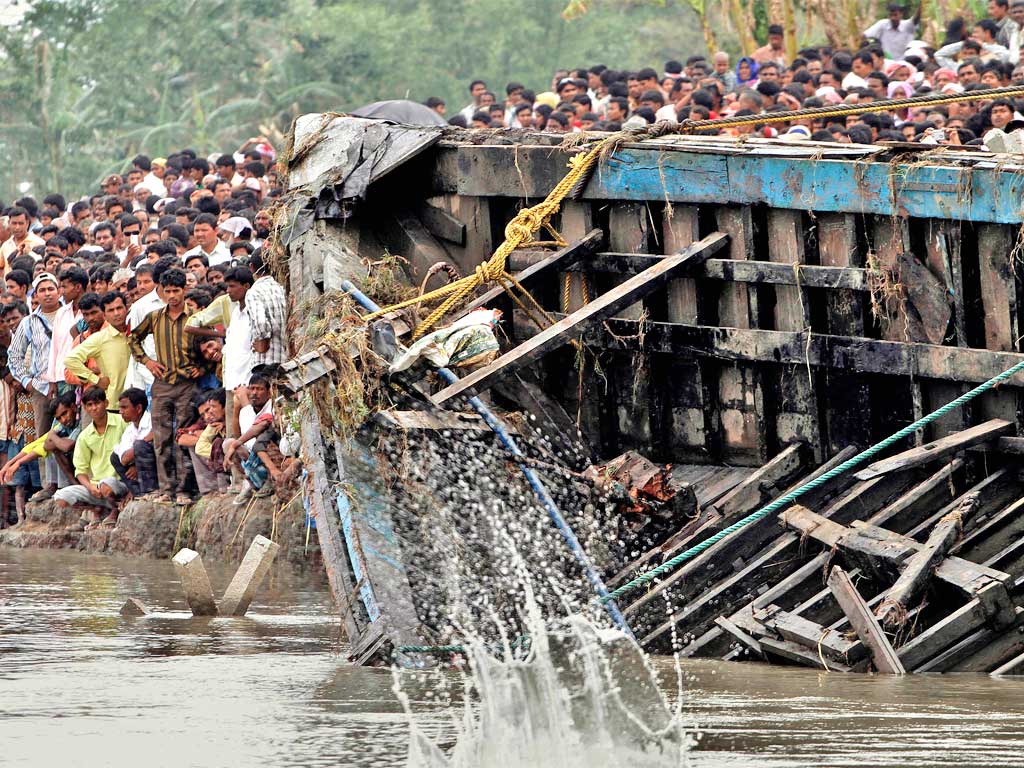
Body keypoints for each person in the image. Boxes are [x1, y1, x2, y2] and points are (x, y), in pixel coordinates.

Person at [127, 268, 201, 504]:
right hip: (161, 384)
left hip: (187, 384)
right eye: (167, 291)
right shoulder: (155, 317)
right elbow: (132, 338)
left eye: (176, 291)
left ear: (184, 290)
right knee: (161, 439)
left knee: (182, 436)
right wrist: (148, 361)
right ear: (161, 292)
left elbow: (209, 344)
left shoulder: (195, 316)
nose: (172, 296)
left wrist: (202, 367)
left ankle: (185, 490)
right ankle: (166, 489)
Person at [8, 273, 62, 498]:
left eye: (51, 288)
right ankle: (47, 485)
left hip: (67, 384)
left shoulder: (69, 315)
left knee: (67, 433)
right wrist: (28, 382)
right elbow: (14, 355)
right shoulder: (29, 322)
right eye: (42, 290)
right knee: (43, 435)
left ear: (58, 290)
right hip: (40, 388)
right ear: (36, 294)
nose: (47, 293)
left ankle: (68, 483)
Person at [52, 386, 129, 527]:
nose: (94, 408)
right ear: (85, 408)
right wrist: (90, 486)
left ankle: (114, 509)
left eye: (97, 403)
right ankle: (96, 509)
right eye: (90, 405)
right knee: (61, 498)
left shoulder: (122, 423)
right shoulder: (84, 436)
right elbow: (80, 471)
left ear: (106, 403)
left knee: (107, 484)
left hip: (120, 484)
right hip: (97, 488)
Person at [64, 291, 132, 406]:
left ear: (126, 309)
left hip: (137, 402)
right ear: (106, 315)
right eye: (111, 310)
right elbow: (70, 361)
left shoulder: (134, 331)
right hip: (110, 404)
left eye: (119, 308)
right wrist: (95, 378)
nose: (116, 313)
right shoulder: (98, 338)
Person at [223, 370, 273, 504]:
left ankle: (270, 480)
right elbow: (239, 434)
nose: (254, 393)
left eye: (260, 389)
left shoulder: (272, 406)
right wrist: (237, 408)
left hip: (269, 454)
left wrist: (236, 444)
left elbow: (258, 428)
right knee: (228, 443)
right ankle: (249, 482)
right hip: (253, 457)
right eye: (251, 389)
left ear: (269, 392)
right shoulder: (248, 409)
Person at [110, 387, 156, 497]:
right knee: (114, 457)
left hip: (159, 469)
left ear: (139, 408)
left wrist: (137, 458)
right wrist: (137, 465)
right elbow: (124, 459)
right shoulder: (129, 430)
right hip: (141, 466)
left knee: (140, 446)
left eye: (124, 407)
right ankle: (139, 494)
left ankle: (151, 491)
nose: (121, 412)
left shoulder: (153, 422)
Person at [245, 250, 287, 368]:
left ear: (251, 267)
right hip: (285, 358)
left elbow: (261, 322)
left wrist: (262, 344)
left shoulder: (254, 292)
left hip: (266, 361)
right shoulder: (282, 288)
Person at [1, 206, 45, 274]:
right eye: (14, 223)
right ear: (9, 223)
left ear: (27, 223)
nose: (17, 227)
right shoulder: (5, 245)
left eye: (21, 223)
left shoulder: (39, 243)